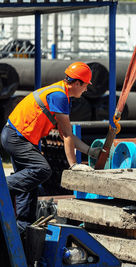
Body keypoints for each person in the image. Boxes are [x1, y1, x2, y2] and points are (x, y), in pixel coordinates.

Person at [0, 62, 102, 235]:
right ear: (77, 83)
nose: (85, 90)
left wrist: (89, 151)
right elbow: (68, 133)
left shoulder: (62, 94)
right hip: (16, 138)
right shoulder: (59, 96)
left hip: (19, 137)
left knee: (29, 188)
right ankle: (2, 187)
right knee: (42, 169)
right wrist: (73, 165)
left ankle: (23, 229)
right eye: (85, 86)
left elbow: (64, 133)